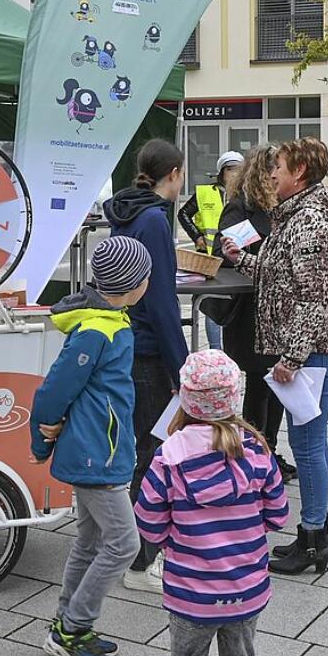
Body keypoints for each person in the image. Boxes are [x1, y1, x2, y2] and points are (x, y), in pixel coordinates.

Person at [134, 349, 288, 656]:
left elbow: (149, 523)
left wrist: (175, 540)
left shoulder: (169, 456)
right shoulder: (258, 452)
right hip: (246, 590)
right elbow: (278, 516)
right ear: (234, 397)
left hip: (190, 594)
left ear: (185, 398)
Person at [221, 137, 328, 575]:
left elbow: (313, 299)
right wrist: (241, 260)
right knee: (306, 442)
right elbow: (277, 276)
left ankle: (315, 536)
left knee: (309, 445)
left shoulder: (311, 223)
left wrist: (292, 358)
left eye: (277, 167)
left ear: (299, 172)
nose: (271, 174)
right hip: (307, 349)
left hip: (314, 351)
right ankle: (313, 531)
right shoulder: (292, 218)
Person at [30, 235, 152, 656]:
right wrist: (41, 437)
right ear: (132, 284)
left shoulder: (111, 321)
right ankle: (72, 628)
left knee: (91, 542)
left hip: (100, 449)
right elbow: (55, 389)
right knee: (124, 543)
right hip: (96, 456)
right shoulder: (99, 330)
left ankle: (68, 625)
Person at [104, 140, 190, 592]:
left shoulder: (125, 210)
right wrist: (183, 366)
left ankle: (126, 544)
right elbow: (161, 301)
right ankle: (141, 559)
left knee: (135, 444)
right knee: (151, 448)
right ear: (173, 174)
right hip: (150, 348)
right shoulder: (155, 218)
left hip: (126, 341)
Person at [215, 144, 294, 481]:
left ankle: (269, 449)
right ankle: (255, 449)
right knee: (261, 384)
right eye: (274, 169)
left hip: (275, 309)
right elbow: (229, 253)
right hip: (249, 311)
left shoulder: (281, 208)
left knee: (274, 383)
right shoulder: (240, 209)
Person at [179, 151, 244, 350]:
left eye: (238, 170)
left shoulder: (246, 194)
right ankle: (216, 350)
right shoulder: (205, 193)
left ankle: (233, 349)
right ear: (221, 172)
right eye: (230, 169)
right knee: (213, 305)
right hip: (210, 258)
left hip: (237, 258)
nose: (234, 174)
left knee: (235, 306)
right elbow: (184, 214)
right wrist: (197, 237)